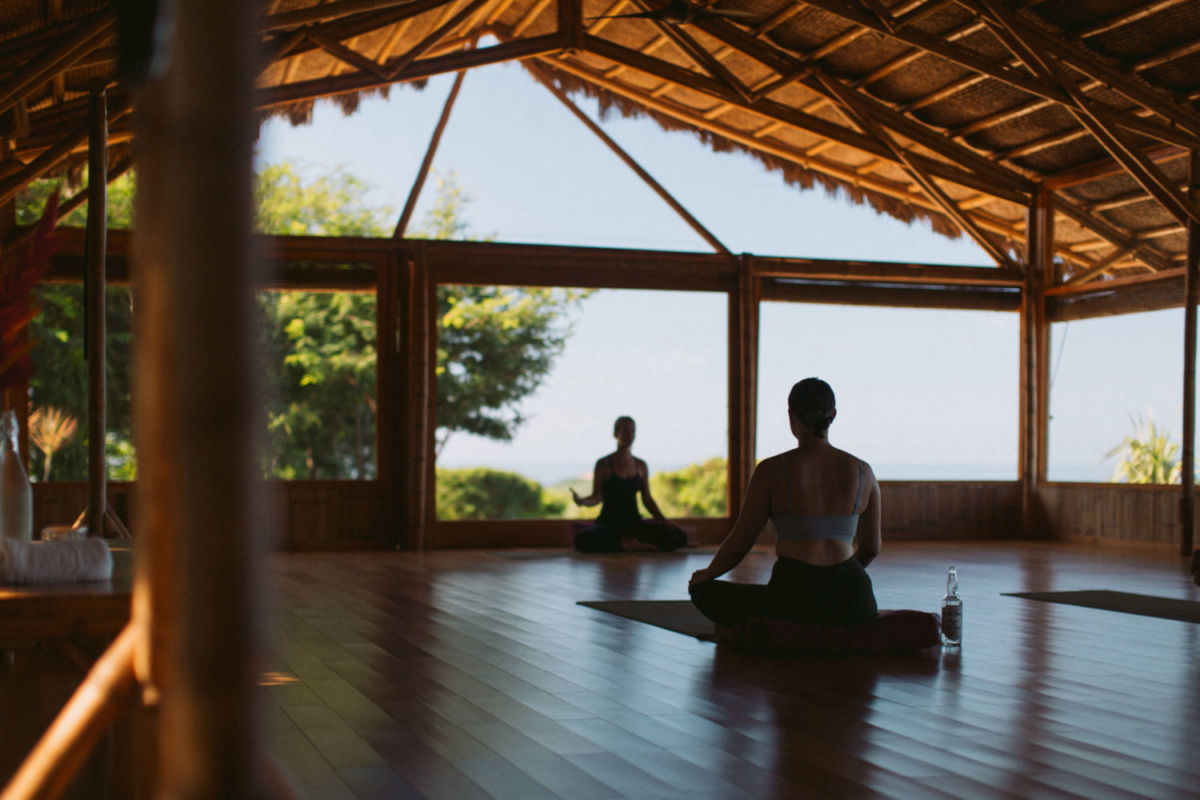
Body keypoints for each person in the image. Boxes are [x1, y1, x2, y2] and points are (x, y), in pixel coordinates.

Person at [689, 378, 880, 627]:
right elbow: (872, 548)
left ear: (791, 416)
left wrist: (706, 575)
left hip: (793, 599)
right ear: (833, 414)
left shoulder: (771, 470)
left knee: (706, 591)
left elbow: (741, 541)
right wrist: (836, 576)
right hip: (854, 601)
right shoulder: (863, 471)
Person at [571, 416, 688, 553]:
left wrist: (665, 521)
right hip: (609, 524)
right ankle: (627, 543)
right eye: (625, 431)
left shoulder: (640, 465)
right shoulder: (604, 464)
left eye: (632, 431)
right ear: (616, 433)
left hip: (634, 523)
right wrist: (581, 501)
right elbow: (596, 496)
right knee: (582, 539)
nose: (629, 435)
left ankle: (628, 543)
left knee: (680, 536)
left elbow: (647, 499)